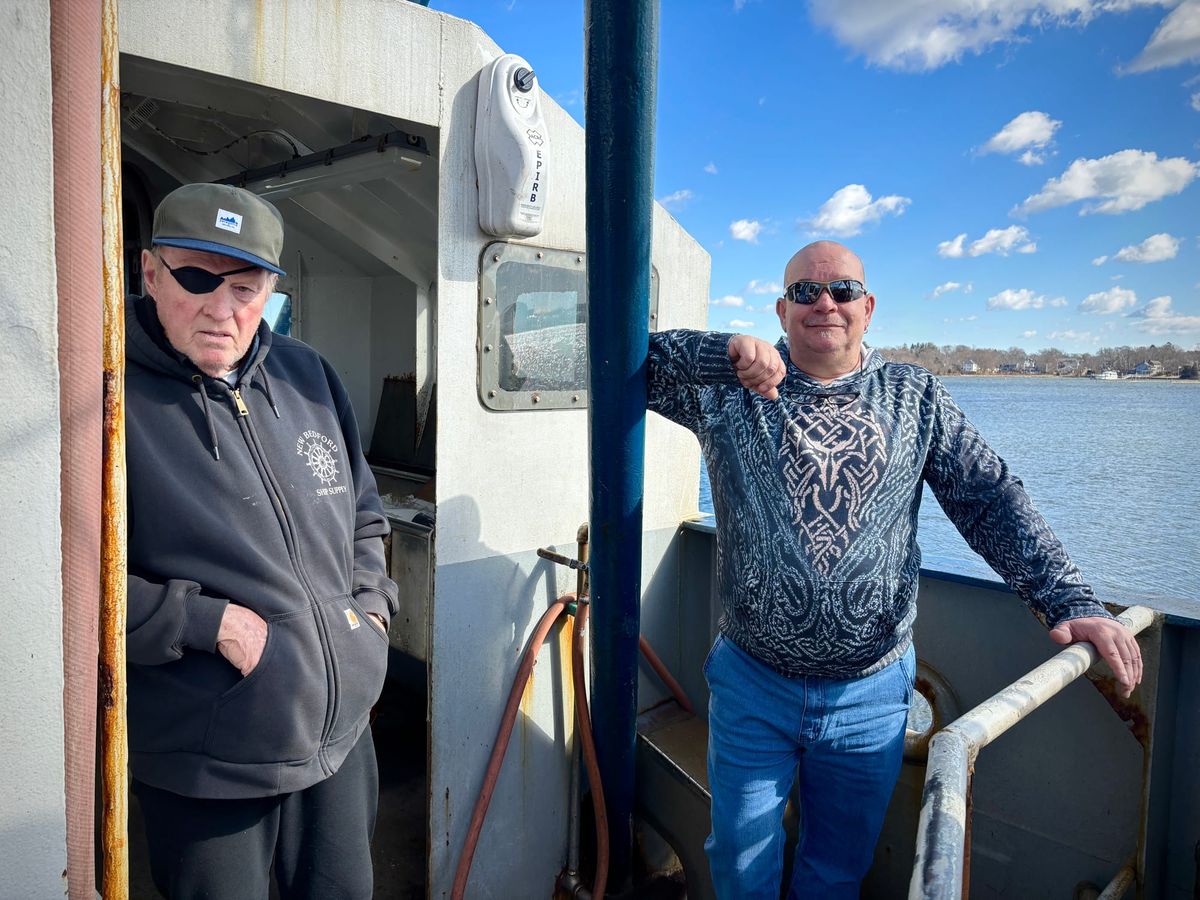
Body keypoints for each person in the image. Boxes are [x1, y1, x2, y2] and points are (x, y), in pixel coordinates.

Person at [646, 240, 1143, 899]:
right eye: (806, 292)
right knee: (740, 861)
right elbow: (623, 358)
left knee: (834, 869)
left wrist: (1066, 598)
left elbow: (987, 496)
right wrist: (722, 350)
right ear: (782, 309)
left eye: (843, 291)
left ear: (868, 307)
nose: (825, 302)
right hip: (752, 683)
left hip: (870, 695)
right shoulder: (726, 393)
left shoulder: (914, 396)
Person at [124, 182, 399, 899]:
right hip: (207, 760)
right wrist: (203, 622)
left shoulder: (310, 376)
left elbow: (365, 512)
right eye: (195, 280)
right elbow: (57, 575)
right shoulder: (106, 392)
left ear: (272, 288)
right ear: (149, 272)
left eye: (246, 288)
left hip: (341, 738)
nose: (223, 310)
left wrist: (369, 613)